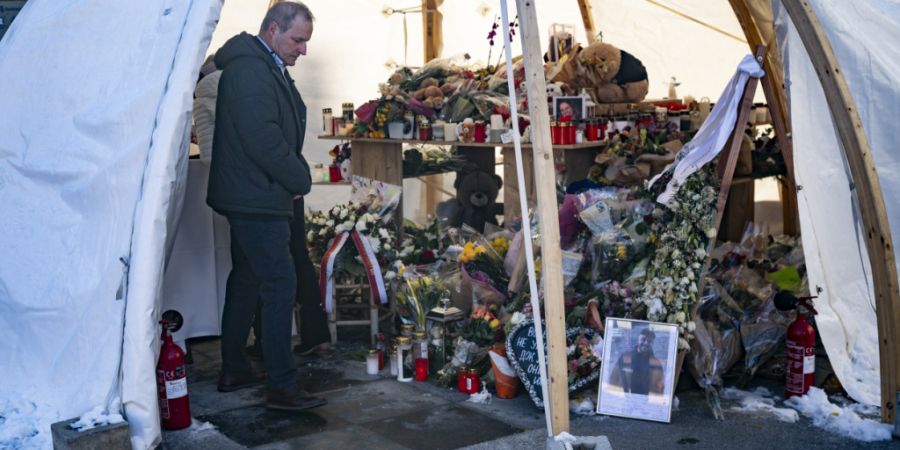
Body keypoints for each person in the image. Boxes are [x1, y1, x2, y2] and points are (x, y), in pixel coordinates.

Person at [207, 1, 325, 412]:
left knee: (248, 280)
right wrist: (300, 179)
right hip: (257, 196)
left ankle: (235, 366)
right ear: (273, 30)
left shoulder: (262, 64)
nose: (303, 50)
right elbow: (264, 139)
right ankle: (282, 384)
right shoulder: (250, 70)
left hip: (257, 193)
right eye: (298, 39)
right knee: (279, 284)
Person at [609, 327, 665, 395]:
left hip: (645, 400)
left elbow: (659, 385)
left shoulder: (656, 363)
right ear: (638, 340)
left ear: (652, 343)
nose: (646, 343)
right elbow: (613, 378)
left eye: (649, 341)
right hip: (624, 398)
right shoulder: (625, 357)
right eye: (643, 339)